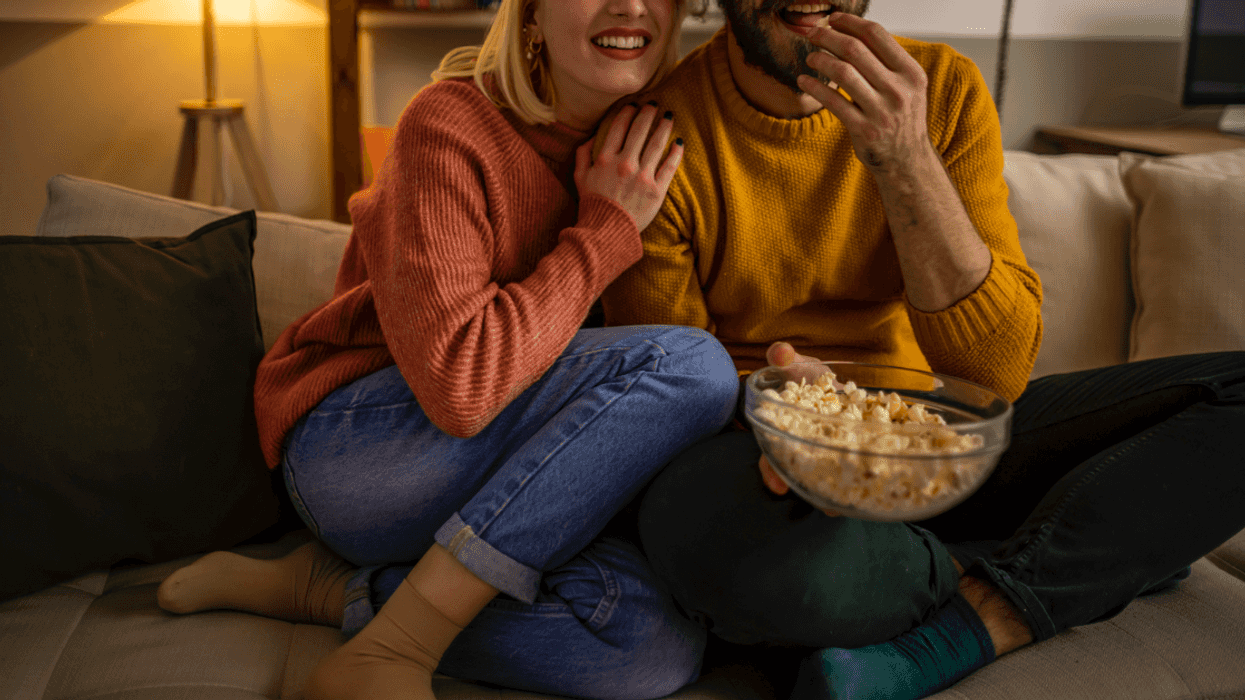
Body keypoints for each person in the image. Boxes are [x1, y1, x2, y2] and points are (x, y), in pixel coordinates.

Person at [599, 1, 1245, 698]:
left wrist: (901, 154)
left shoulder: (944, 90)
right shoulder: (655, 134)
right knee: (695, 534)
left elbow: (992, 373)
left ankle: (983, 617)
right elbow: (667, 390)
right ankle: (1099, 547)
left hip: (931, 433)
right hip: (763, 459)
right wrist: (788, 415)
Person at [154, 0, 741, 699]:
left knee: (651, 646)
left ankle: (334, 594)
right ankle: (396, 647)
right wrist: (603, 231)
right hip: (364, 451)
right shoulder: (448, 125)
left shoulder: (662, 146)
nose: (630, 5)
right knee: (688, 365)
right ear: (530, 14)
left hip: (511, 488)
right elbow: (460, 387)